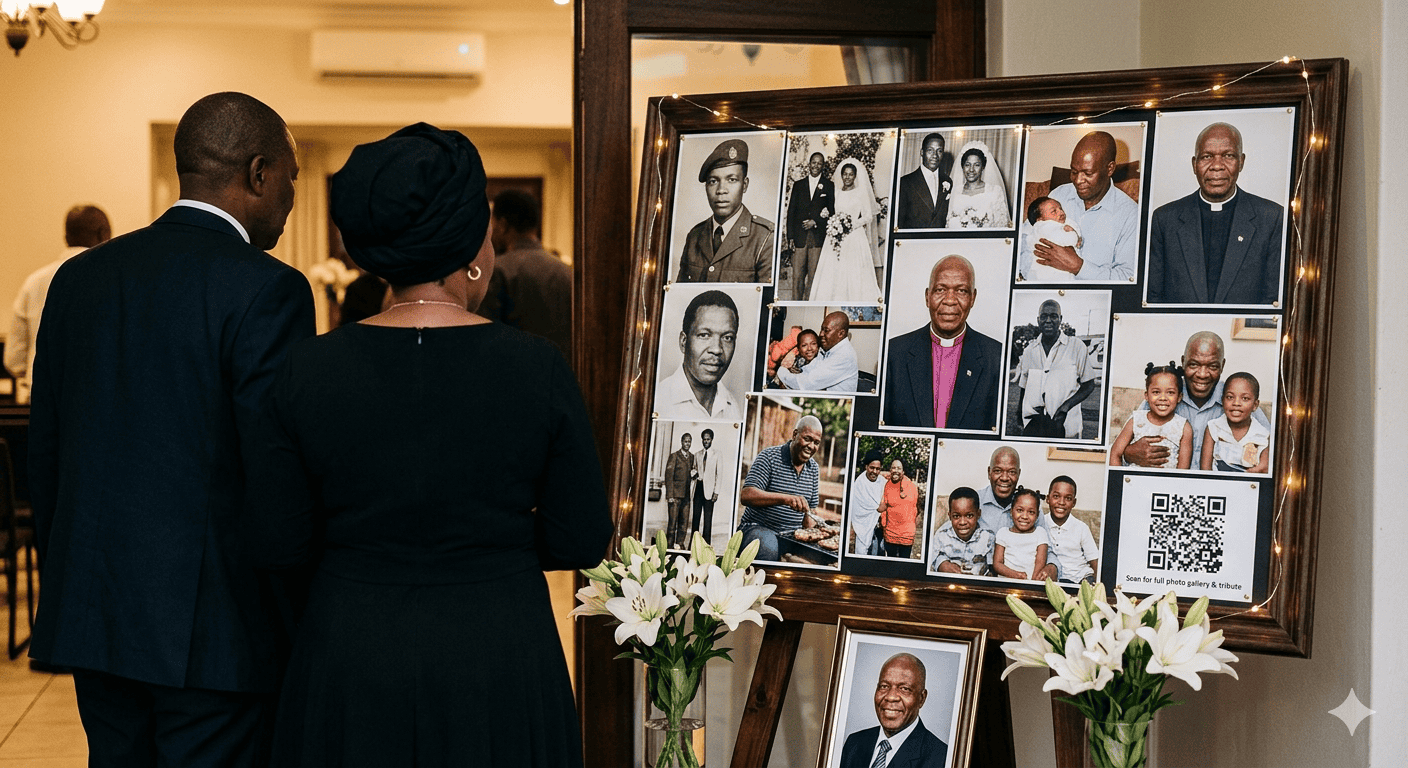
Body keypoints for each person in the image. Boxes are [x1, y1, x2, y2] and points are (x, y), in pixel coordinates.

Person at [246, 123, 613, 766]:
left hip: (348, 652)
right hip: (500, 649)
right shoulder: (538, 368)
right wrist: (485, 539)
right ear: (475, 246)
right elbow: (579, 539)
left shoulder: (306, 370)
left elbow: (278, 541)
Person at [27, 92, 315, 766]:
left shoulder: (79, 279)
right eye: (293, 179)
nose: (292, 199)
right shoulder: (268, 288)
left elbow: (48, 452)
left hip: (95, 612)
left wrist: (71, 578)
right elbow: (272, 470)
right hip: (216, 628)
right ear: (258, 172)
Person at [1147, 122, 1285, 305]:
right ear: (1194, 164)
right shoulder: (1164, 220)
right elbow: (1153, 298)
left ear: (1241, 161)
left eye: (1228, 156)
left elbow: (1273, 299)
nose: (1217, 166)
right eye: (1206, 157)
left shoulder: (1272, 217)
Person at [5, 204, 111, 404]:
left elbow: (14, 359)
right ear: (103, 234)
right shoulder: (113, 280)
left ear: (66, 238)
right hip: (96, 403)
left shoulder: (34, 282)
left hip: (41, 402)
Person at [883, 255, 1002, 430]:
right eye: (940, 290)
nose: (950, 300)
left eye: (961, 291)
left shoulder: (997, 357)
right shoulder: (893, 353)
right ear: (927, 296)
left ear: (973, 298)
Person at [1122, 331, 1271, 465]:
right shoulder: (1163, 397)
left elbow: (1271, 450)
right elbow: (1119, 448)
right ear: (1183, 361)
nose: (1202, 374)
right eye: (1193, 364)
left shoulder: (1238, 400)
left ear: (1222, 365)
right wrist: (1128, 454)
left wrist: (1264, 464)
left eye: (1212, 366)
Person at [1019, 130, 1139, 281]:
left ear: (1110, 168)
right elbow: (1023, 239)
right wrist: (1029, 276)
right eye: (1074, 172)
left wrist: (1078, 267)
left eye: (1088, 173)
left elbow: (1127, 277)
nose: (1078, 180)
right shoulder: (1059, 195)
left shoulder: (1130, 215)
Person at [480, 188, 573, 357]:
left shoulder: (497, 270)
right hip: (561, 374)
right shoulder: (566, 271)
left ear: (502, 224)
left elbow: (485, 335)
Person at [677, 138, 774, 283]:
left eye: (732, 180)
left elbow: (766, 304)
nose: (721, 190)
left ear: (745, 185)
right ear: (706, 188)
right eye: (713, 181)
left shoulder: (765, 238)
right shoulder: (694, 236)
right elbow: (681, 297)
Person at [837, 653, 948, 768]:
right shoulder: (854, 743)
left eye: (904, 689)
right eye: (884, 686)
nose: (891, 697)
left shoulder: (942, 758)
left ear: (921, 698)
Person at [737, 415, 823, 563]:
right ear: (795, 434)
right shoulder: (769, 457)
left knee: (816, 560)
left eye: (816, 442)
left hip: (792, 536)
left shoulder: (814, 469)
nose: (811, 446)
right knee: (768, 548)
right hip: (757, 528)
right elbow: (746, 495)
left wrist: (813, 528)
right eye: (807, 439)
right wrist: (785, 498)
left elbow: (811, 513)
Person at [1015, 299, 1097, 439]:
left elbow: (1089, 385)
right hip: (1034, 427)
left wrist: (1066, 407)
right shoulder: (1029, 351)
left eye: (1053, 316)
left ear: (1060, 319)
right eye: (1043, 316)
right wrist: (1019, 413)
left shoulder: (1076, 347)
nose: (1048, 320)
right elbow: (1024, 386)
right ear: (1038, 320)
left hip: (1067, 428)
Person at [655, 289, 742, 420]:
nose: (717, 349)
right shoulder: (658, 400)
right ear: (684, 342)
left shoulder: (732, 406)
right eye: (704, 335)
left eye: (727, 338)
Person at [810, 158, 882, 302]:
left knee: (853, 269)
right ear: (841, 175)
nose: (847, 177)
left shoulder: (860, 193)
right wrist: (827, 214)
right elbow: (831, 210)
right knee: (832, 269)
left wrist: (849, 225)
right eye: (845, 174)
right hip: (835, 236)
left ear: (855, 176)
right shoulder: (835, 192)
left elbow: (868, 216)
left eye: (850, 174)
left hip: (854, 236)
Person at [1109, 362, 1193, 469]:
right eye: (1156, 392)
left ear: (1179, 397)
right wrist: (1117, 483)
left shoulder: (1183, 427)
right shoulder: (1136, 420)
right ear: (1146, 396)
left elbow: (1183, 470)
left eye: (1170, 392)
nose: (1163, 398)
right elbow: (1115, 453)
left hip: (1167, 484)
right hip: (1135, 482)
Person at [1200, 372, 1271, 473]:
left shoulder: (1262, 435)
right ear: (1222, 401)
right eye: (1230, 397)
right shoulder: (1214, 427)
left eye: (1245, 398)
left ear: (1255, 405)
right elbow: (1205, 469)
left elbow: (1263, 469)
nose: (1236, 403)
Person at [786, 152, 833, 299]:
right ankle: (796, 302)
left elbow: (832, 211)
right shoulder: (798, 185)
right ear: (809, 164)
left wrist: (816, 222)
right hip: (800, 238)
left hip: (817, 239)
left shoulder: (829, 185)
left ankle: (809, 302)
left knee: (814, 276)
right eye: (814, 162)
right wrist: (791, 237)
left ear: (823, 166)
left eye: (819, 163)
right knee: (797, 276)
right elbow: (791, 211)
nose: (816, 165)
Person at [776, 312, 858, 392]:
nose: (821, 334)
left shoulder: (844, 356)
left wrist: (782, 371)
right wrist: (792, 353)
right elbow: (808, 371)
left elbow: (805, 384)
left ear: (841, 333)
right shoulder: (830, 349)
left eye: (826, 330)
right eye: (821, 329)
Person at [1043, 477, 1098, 584]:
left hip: (1081, 578)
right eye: (1056, 496)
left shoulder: (1081, 528)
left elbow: (1094, 560)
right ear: (1047, 499)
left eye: (1068, 498)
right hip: (1054, 580)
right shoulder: (1040, 523)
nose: (1061, 502)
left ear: (1074, 502)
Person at [945, 141, 1012, 229]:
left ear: (983, 167)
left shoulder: (994, 191)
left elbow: (1001, 225)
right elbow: (948, 223)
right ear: (962, 167)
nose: (971, 170)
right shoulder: (954, 191)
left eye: (976, 165)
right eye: (967, 165)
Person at [929, 487, 995, 576]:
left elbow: (993, 567)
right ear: (949, 516)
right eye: (956, 516)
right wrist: (941, 564)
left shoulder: (987, 538)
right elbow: (933, 559)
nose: (963, 522)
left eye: (969, 515)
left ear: (978, 514)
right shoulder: (942, 536)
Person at [993, 488, 1050, 581]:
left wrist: (1032, 583)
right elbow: (997, 564)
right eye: (1019, 510)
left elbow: (1040, 562)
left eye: (1031, 512)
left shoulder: (1040, 533)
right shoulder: (1003, 533)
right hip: (1006, 583)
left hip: (1031, 583)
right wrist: (1015, 575)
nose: (1024, 516)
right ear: (1011, 511)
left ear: (1037, 515)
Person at [896, 133, 951, 229]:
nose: (935, 155)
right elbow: (899, 221)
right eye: (930, 150)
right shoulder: (905, 182)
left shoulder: (948, 181)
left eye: (939, 151)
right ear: (922, 152)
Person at [1023, 197, 1079, 282]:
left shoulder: (1056, 224)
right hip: (1050, 273)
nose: (1061, 212)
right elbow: (1070, 241)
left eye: (1060, 208)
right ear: (1040, 220)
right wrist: (1073, 233)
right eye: (1054, 211)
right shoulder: (1044, 227)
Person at [878, 458, 921, 559]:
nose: (895, 470)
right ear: (890, 470)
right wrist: (884, 525)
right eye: (893, 468)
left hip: (907, 535)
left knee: (903, 565)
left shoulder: (912, 487)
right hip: (890, 534)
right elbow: (884, 507)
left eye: (898, 468)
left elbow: (916, 509)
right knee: (891, 563)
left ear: (903, 471)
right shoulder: (887, 485)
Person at [848, 450, 887, 556]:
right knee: (861, 553)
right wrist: (878, 508)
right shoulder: (859, 484)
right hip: (863, 526)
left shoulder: (883, 481)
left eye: (878, 469)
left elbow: (888, 500)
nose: (874, 471)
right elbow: (858, 509)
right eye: (872, 468)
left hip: (880, 527)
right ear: (866, 466)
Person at [977, 446, 1020, 533]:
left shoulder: (1030, 504)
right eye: (998, 471)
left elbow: (1043, 540)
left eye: (1012, 472)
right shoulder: (974, 501)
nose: (1004, 478)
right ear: (989, 472)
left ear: (1019, 474)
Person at [665, 432, 696, 549]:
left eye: (689, 442)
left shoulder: (692, 457)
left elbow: (692, 473)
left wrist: (695, 475)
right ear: (681, 442)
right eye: (685, 441)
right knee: (672, 523)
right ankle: (669, 547)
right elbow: (668, 476)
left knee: (684, 524)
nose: (687, 444)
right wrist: (670, 496)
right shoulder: (674, 456)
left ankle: (680, 544)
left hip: (686, 497)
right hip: (675, 496)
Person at [692, 428, 721, 547]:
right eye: (704, 439)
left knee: (707, 520)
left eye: (708, 439)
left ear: (712, 440)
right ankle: (693, 545)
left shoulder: (717, 454)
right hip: (698, 488)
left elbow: (719, 474)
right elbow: (693, 468)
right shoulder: (697, 454)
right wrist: (694, 473)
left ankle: (706, 546)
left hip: (709, 491)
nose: (706, 441)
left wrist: (716, 492)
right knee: (695, 519)